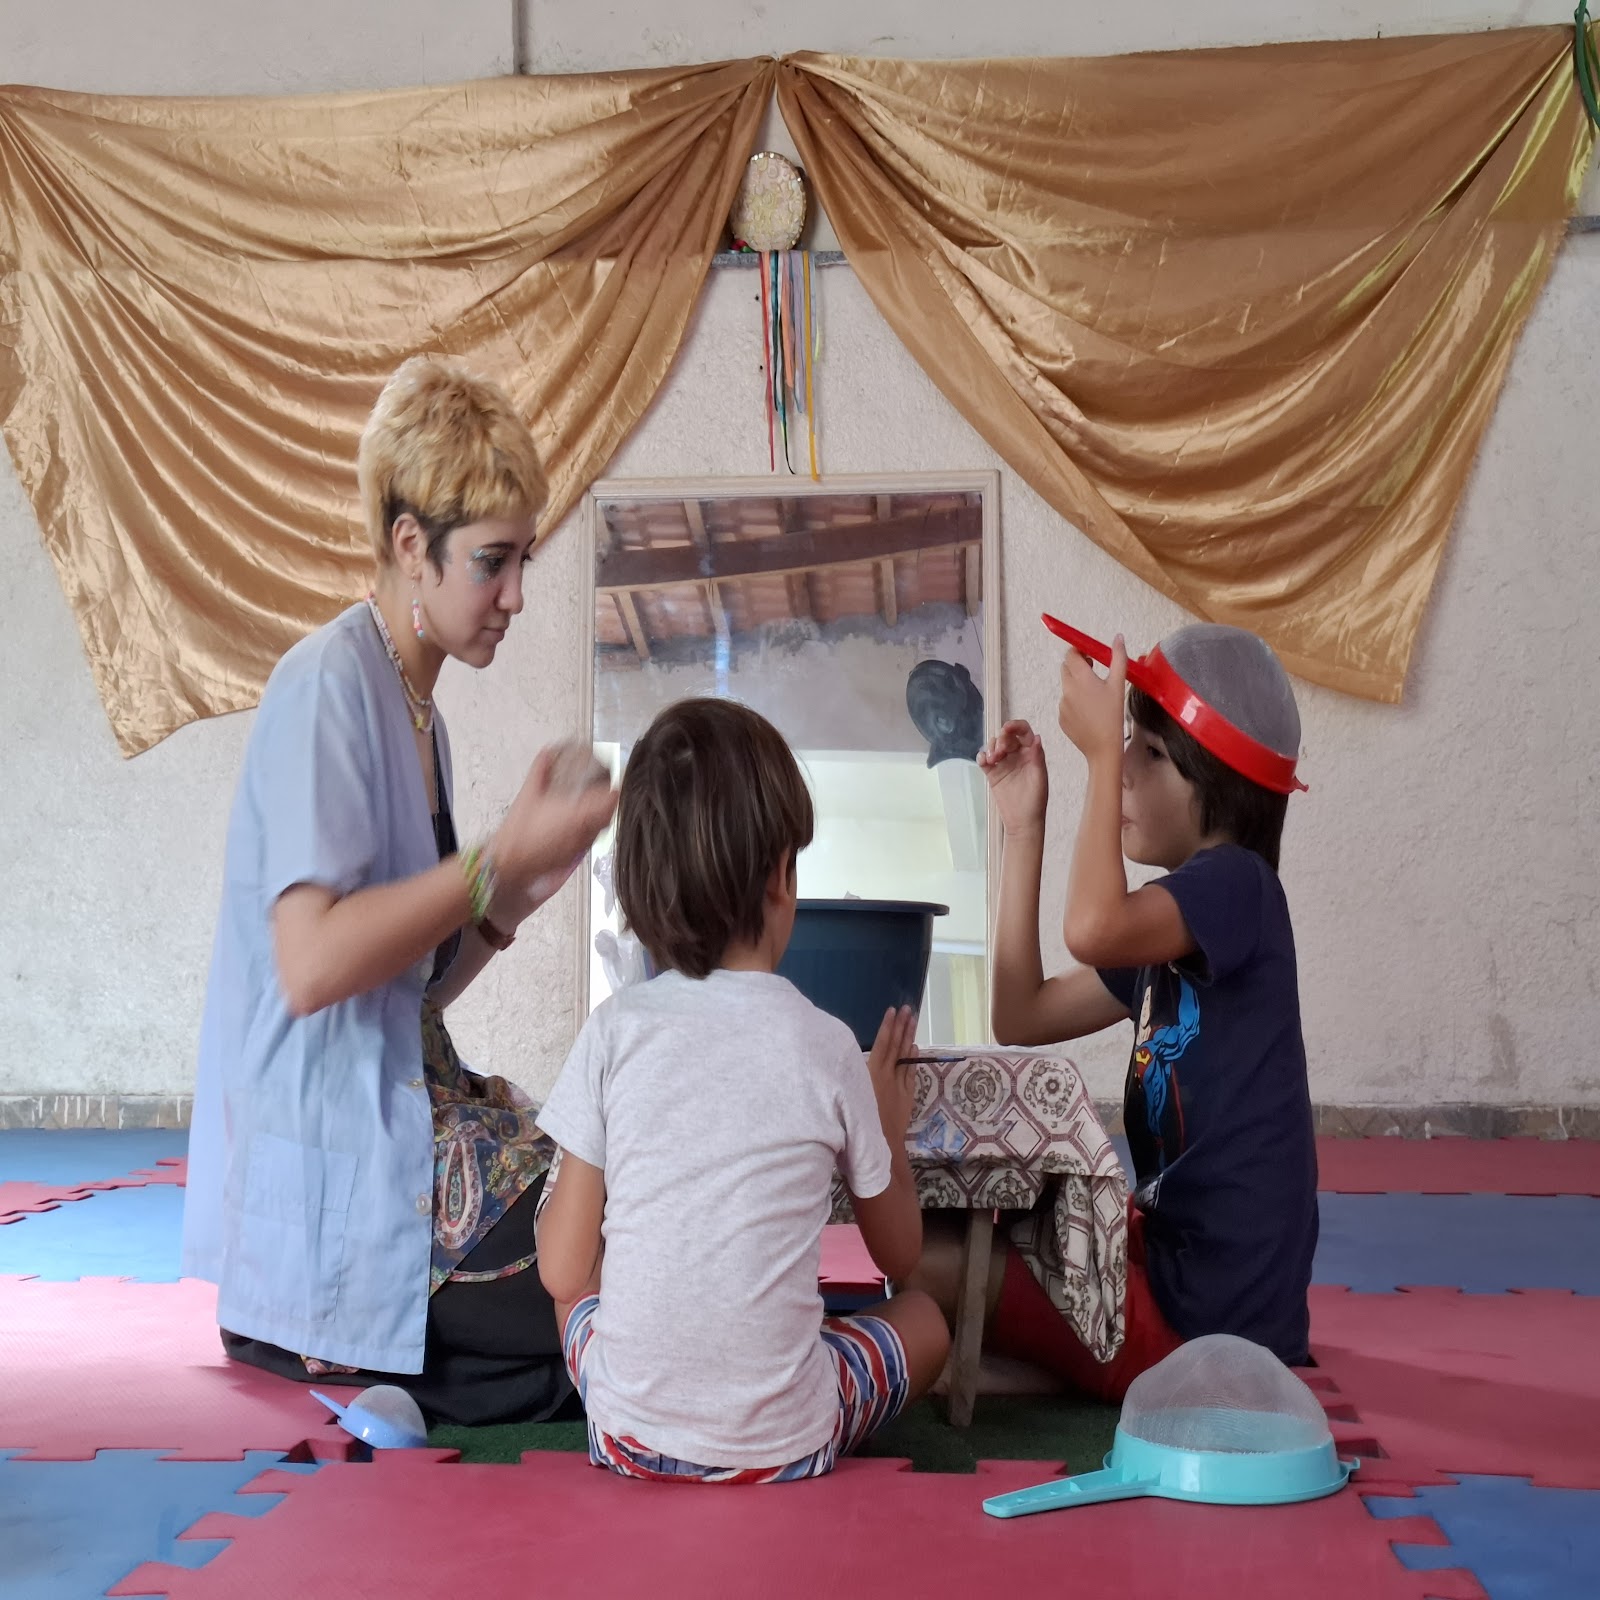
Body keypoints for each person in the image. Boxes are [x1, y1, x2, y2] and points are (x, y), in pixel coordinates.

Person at [182, 354, 617, 1425]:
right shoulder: (325, 685)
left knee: (622, 1218)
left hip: (408, 1114)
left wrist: (513, 891)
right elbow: (314, 964)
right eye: (493, 562)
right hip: (341, 1176)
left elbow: (405, 993)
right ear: (409, 545)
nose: (515, 595)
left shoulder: (422, 714)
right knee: (606, 1275)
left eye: (524, 560)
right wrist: (485, 862)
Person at [534, 697, 951, 1481]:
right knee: (926, 1320)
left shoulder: (612, 1031)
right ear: (781, 880)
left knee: (579, 1299)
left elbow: (562, 1273)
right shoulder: (827, 1045)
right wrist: (886, 1127)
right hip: (790, 1446)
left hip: (626, 1441)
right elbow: (902, 1255)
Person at [906, 622, 1318, 1398]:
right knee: (954, 1223)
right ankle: (1029, 1369)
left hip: (1209, 1326)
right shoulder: (1171, 933)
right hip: (1173, 1268)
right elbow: (1020, 1014)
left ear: (1219, 785)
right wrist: (1024, 829)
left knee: (917, 1251)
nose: (1125, 766)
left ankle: (1074, 1372)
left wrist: (1095, 756)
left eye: (1151, 753)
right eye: (1126, 743)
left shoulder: (1237, 886)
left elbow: (1093, 923)